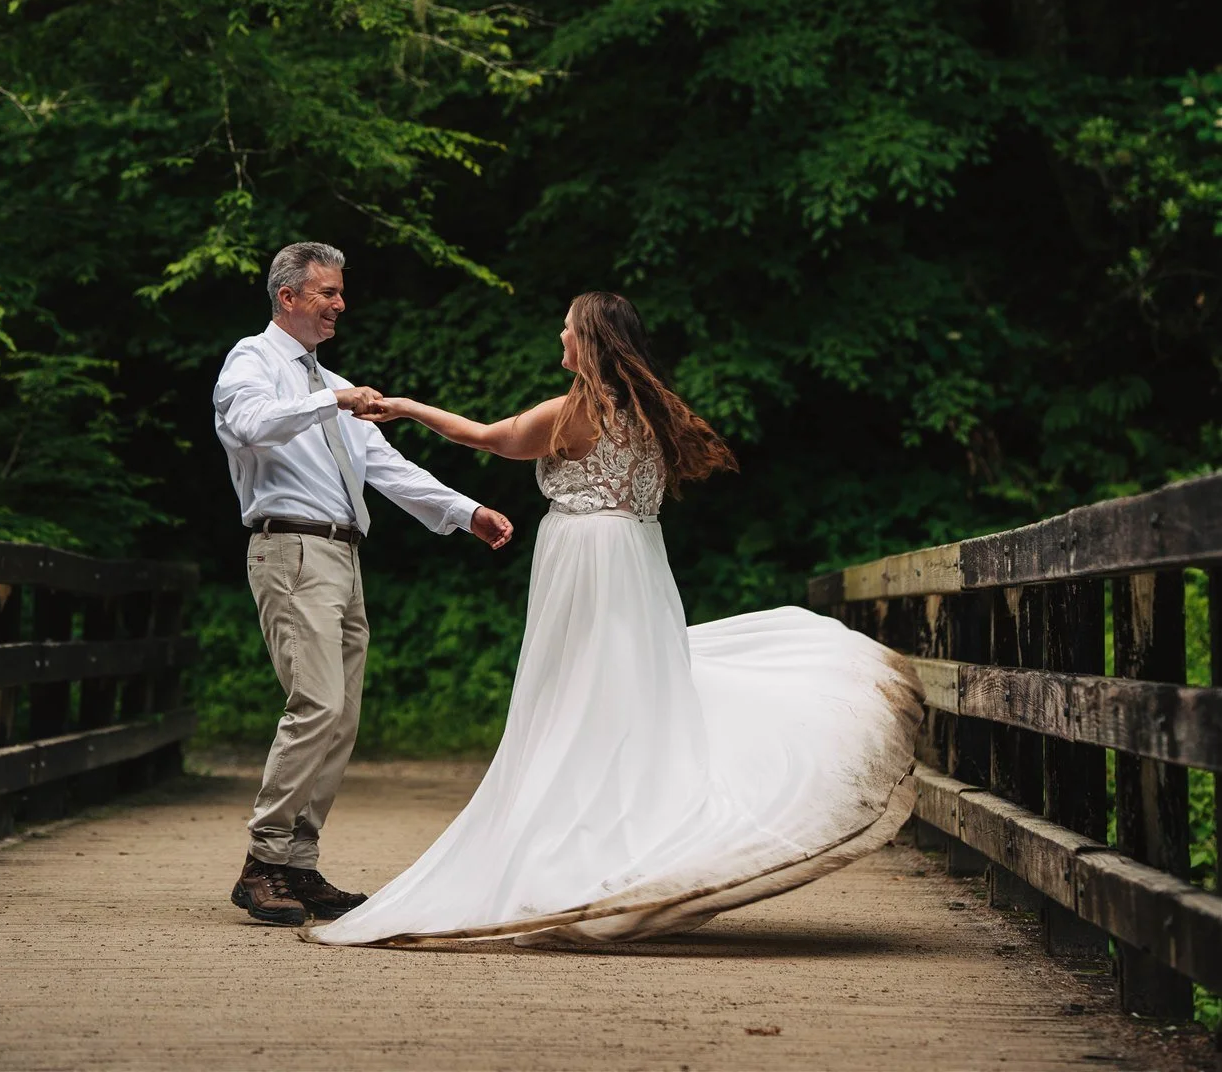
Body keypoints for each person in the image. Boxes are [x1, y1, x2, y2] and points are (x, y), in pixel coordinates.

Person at [308, 290, 922, 948]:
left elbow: (487, 438)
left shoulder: (569, 413)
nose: (560, 336)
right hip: (636, 556)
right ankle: (632, 825)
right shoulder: (657, 412)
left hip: (583, 557)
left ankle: (578, 841)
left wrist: (402, 408)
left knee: (574, 693)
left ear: (591, 342)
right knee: (633, 685)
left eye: (569, 329)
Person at [214, 239, 514, 929]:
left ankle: (298, 863)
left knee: (341, 716)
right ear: (287, 297)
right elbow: (248, 425)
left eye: (340, 292)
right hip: (289, 549)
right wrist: (330, 402)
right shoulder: (253, 361)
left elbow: (387, 466)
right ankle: (263, 861)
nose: (341, 303)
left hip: (343, 558)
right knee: (315, 703)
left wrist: (465, 512)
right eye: (328, 292)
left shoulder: (331, 385)